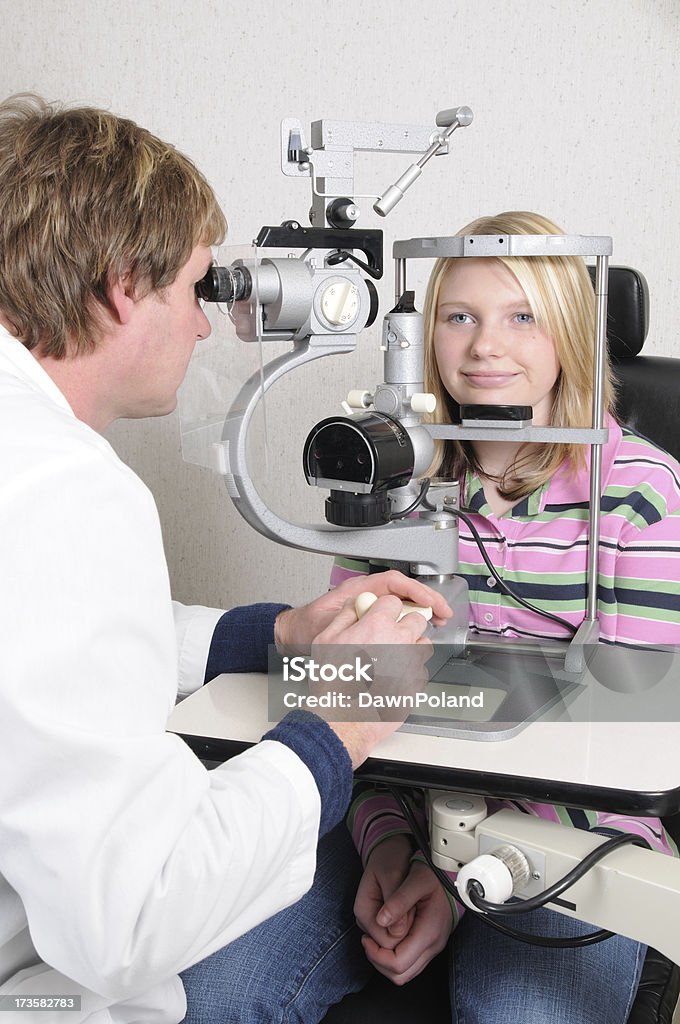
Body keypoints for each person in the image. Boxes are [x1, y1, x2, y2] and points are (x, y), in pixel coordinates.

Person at [0, 94, 453, 1024]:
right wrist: (339, 726)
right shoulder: (63, 490)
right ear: (126, 282)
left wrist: (279, 631)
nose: (205, 326)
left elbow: (47, 640)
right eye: (195, 288)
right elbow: (126, 917)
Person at [330, 211, 680, 1023]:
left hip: (577, 843)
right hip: (401, 824)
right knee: (223, 987)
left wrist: (452, 883)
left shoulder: (643, 496)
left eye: (522, 316)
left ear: (570, 334)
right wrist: (388, 843)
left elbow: (627, 735)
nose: (486, 346)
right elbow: (347, 700)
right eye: (461, 317)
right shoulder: (391, 486)